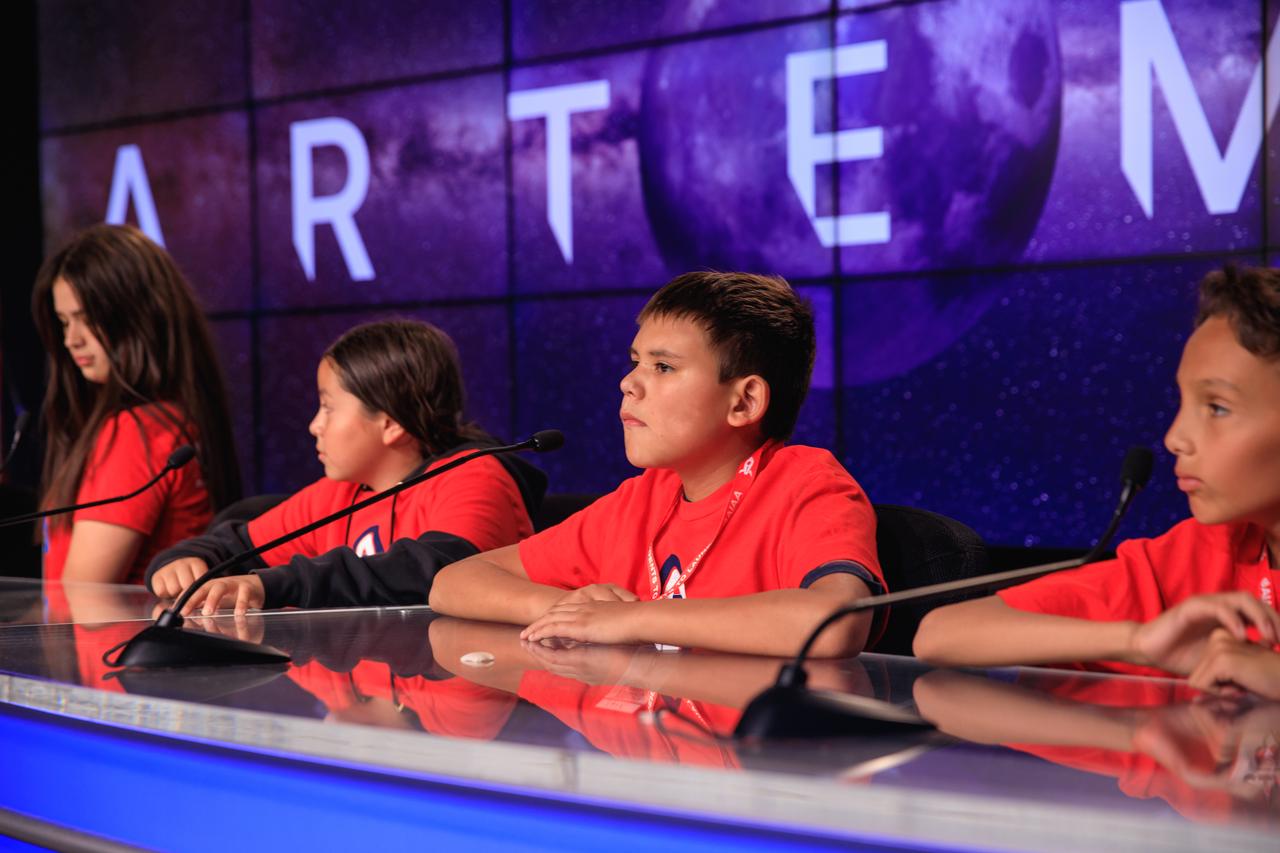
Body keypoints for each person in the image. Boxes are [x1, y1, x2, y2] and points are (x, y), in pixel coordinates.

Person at [428, 271, 884, 657]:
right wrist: (564, 610)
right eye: (634, 362)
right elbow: (454, 582)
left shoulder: (804, 483)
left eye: (663, 367)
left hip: (751, 757)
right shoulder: (642, 499)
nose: (628, 383)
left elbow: (836, 622)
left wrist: (632, 619)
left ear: (744, 401)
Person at [914, 265, 1280, 697]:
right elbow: (940, 635)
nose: (1174, 438)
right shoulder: (1201, 553)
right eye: (1183, 401)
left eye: (1217, 407)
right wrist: (1138, 642)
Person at [148, 319, 545, 613]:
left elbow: (440, 571)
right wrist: (183, 563)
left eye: (328, 408)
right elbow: (235, 548)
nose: (314, 425)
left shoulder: (475, 477)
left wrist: (279, 585)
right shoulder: (339, 493)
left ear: (390, 423)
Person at [32, 224, 240, 587]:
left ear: (137, 316)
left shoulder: (137, 431)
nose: (71, 339)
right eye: (64, 322)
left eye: (87, 319)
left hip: (113, 645)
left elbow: (81, 598)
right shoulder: (164, 419)